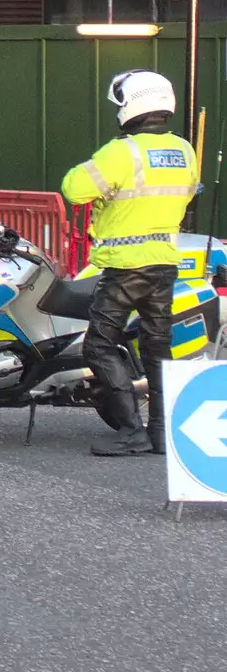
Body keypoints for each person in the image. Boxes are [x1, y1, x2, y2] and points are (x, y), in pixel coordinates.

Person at [62, 70, 200, 457]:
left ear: (131, 107)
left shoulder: (122, 152)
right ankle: (161, 432)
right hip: (164, 265)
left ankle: (130, 429)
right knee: (157, 349)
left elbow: (73, 189)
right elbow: (186, 193)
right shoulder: (185, 150)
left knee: (98, 346)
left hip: (125, 267)